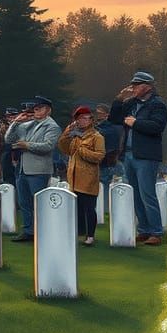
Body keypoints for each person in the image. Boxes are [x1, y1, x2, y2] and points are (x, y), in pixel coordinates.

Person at [109, 71, 167, 245]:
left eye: (136, 85)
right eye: (132, 85)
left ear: (147, 87)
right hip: (128, 154)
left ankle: (156, 232)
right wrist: (119, 99)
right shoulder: (130, 103)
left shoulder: (158, 104)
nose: (132, 88)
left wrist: (135, 123)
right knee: (135, 194)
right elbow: (114, 118)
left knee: (147, 194)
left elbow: (157, 127)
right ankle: (144, 230)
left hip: (146, 156)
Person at [4, 95, 62, 242]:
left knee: (39, 203)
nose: (35, 110)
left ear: (48, 110)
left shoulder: (52, 126)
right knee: (24, 203)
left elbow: (48, 146)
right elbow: (8, 139)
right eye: (34, 108)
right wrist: (16, 123)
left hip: (39, 170)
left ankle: (42, 231)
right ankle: (29, 231)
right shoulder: (29, 124)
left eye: (39, 108)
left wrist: (26, 145)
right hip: (23, 168)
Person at [58, 105, 105, 245]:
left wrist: (81, 149)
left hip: (88, 177)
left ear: (91, 120)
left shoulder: (97, 137)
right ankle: (79, 234)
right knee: (76, 208)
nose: (82, 121)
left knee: (89, 208)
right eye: (79, 119)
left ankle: (90, 235)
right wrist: (67, 133)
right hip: (74, 176)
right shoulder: (75, 136)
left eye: (85, 118)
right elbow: (64, 148)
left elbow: (99, 156)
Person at [93, 103, 124, 197]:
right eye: (96, 113)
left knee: (106, 192)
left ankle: (106, 211)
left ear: (107, 115)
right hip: (95, 164)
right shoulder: (93, 127)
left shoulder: (111, 128)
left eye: (99, 113)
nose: (96, 115)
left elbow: (111, 147)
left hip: (106, 165)